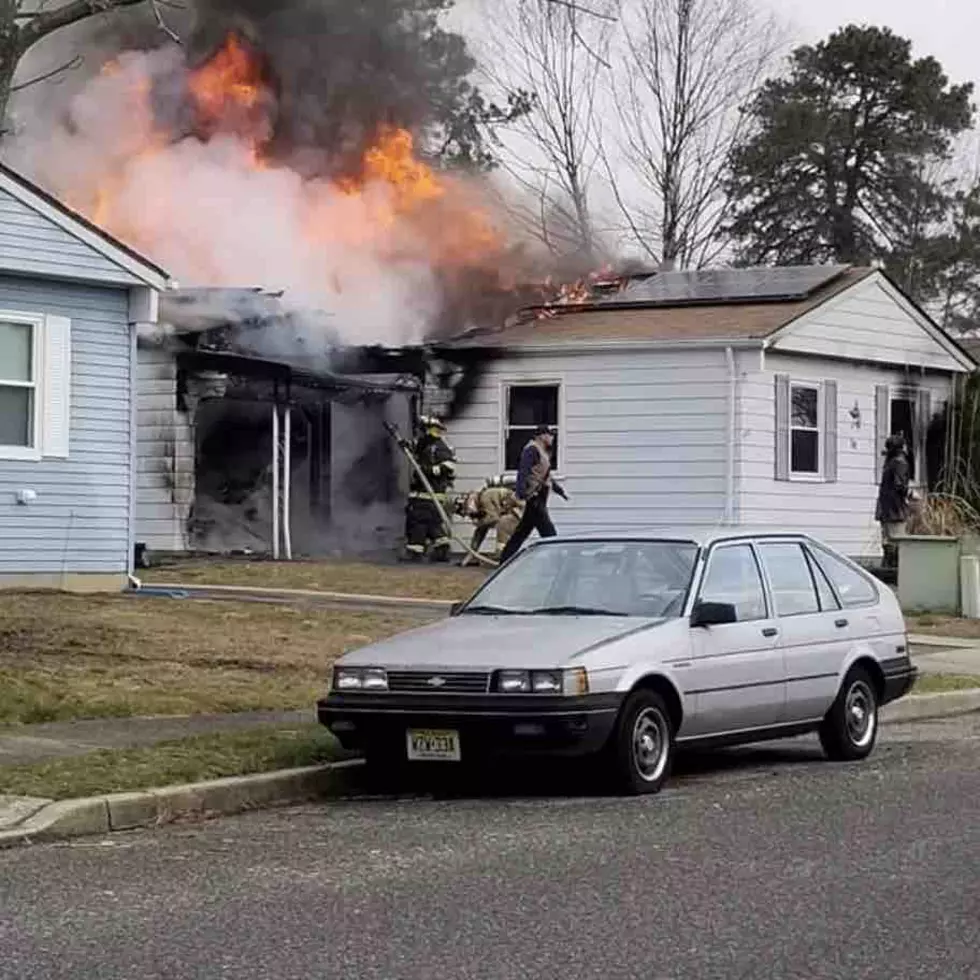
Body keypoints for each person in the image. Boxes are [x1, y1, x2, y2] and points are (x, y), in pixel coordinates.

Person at [499, 424, 568, 564]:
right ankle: (558, 561)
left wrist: (559, 490)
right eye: (550, 435)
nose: (552, 438)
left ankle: (505, 560)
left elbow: (546, 476)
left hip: (540, 497)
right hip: (534, 497)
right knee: (548, 531)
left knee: (521, 532)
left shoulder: (543, 453)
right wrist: (520, 493)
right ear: (542, 435)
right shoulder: (531, 450)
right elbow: (523, 472)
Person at [403, 415, 457, 562]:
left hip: (427, 494)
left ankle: (415, 552)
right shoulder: (425, 445)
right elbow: (415, 448)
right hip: (428, 495)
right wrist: (405, 445)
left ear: (428, 430)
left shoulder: (438, 447)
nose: (419, 433)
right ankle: (442, 549)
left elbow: (449, 466)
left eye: (421, 430)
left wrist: (428, 471)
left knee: (417, 522)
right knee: (432, 524)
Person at [455, 475, 525, 566]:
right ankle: (475, 557)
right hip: (513, 511)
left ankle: (502, 556)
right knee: (487, 527)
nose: (471, 516)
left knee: (503, 523)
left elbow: (493, 518)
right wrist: (469, 557)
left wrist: (480, 523)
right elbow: (481, 530)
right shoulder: (481, 502)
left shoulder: (485, 498)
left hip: (520, 510)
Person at [876, 434, 910, 569]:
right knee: (898, 541)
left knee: (887, 540)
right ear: (902, 448)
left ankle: (887, 569)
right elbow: (899, 486)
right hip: (895, 510)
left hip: (885, 508)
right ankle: (896, 572)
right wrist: (911, 494)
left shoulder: (889, 463)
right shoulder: (900, 462)